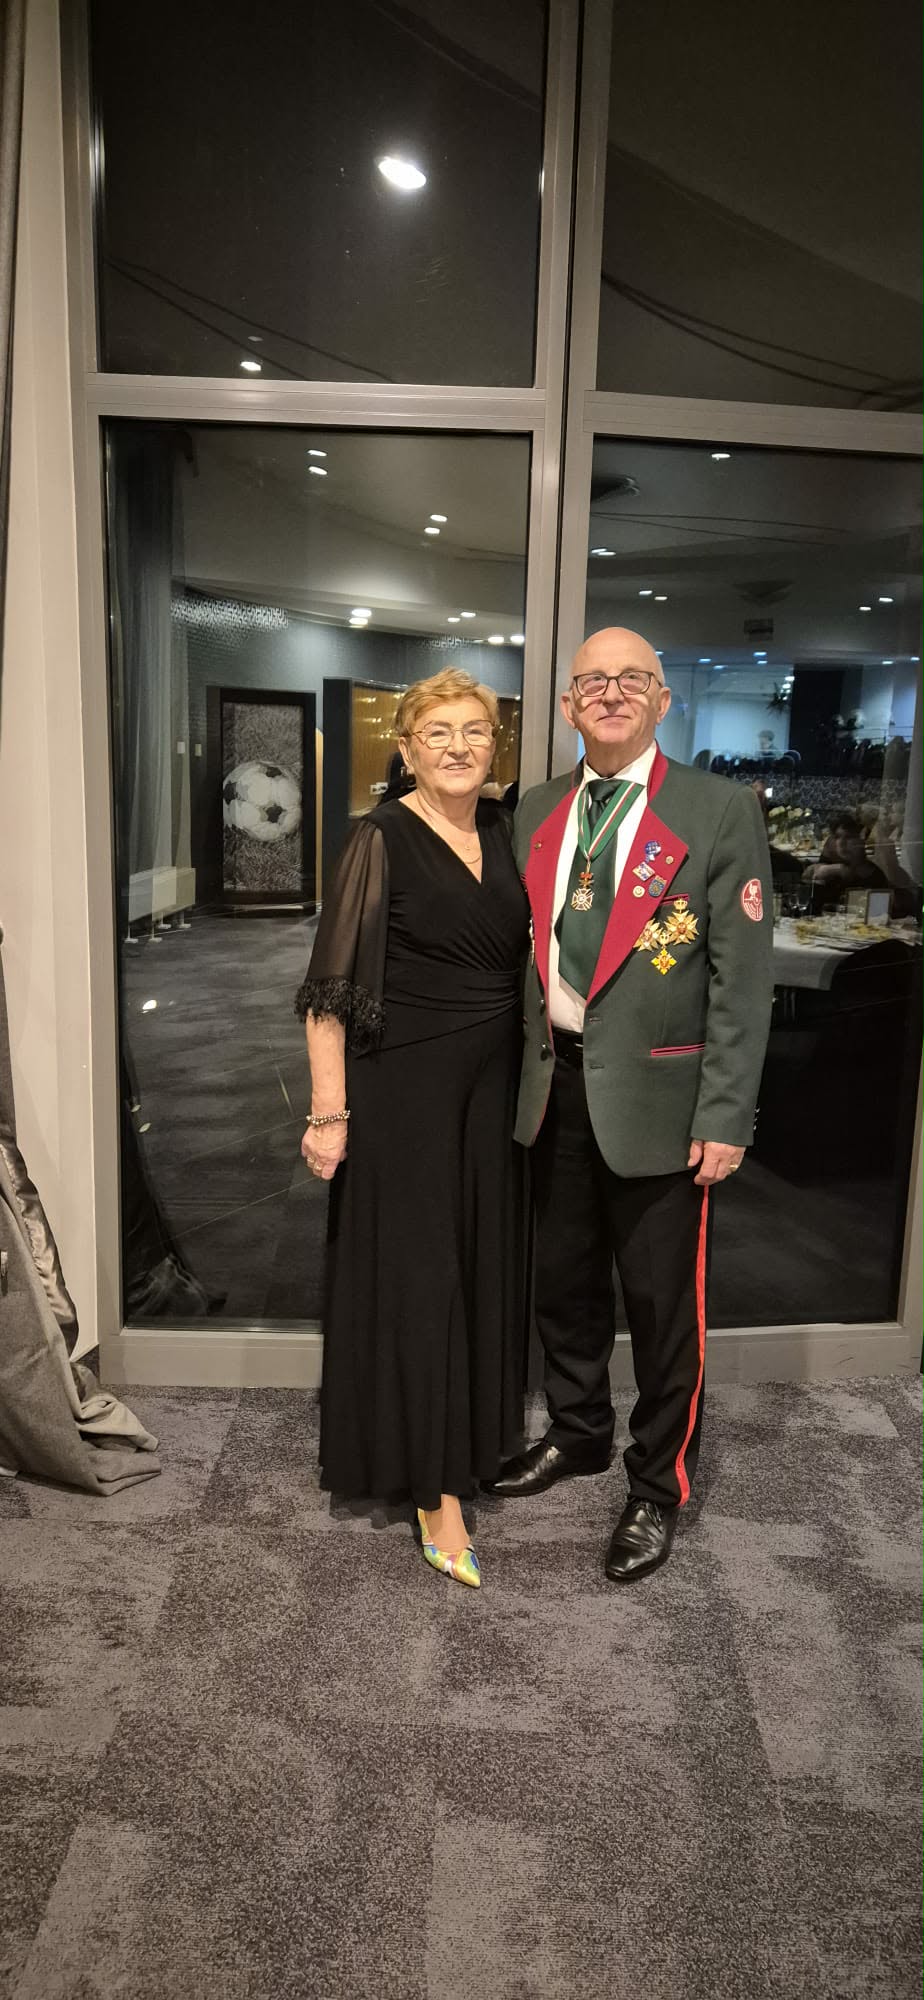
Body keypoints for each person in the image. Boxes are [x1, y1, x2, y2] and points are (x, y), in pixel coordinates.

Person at [485, 628, 774, 1582]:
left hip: (664, 1100)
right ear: (568, 704)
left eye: (632, 680)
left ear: (661, 700)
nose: (611, 694)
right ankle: (578, 1433)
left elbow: (741, 984)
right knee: (562, 1284)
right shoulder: (537, 807)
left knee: (661, 1309)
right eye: (592, 682)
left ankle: (657, 1484)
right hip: (554, 1088)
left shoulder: (716, 808)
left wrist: (725, 1115)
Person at [295, 669, 529, 1588]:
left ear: (493, 745)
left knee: (475, 1264)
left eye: (474, 730)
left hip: (492, 1090)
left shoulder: (504, 828)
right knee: (422, 1276)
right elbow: (330, 991)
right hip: (404, 1088)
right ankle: (436, 1491)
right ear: (406, 748)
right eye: (438, 732)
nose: (459, 746)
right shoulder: (381, 836)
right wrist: (329, 1115)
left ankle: (468, 1438)